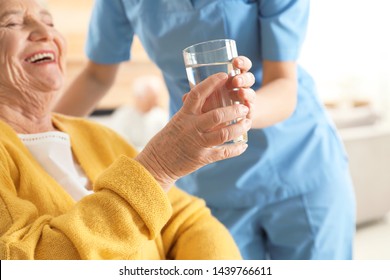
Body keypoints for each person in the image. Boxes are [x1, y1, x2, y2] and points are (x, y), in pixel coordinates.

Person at [54, 0, 356, 259]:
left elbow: (284, 84)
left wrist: (241, 111)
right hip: (210, 184)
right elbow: (96, 76)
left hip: (297, 165)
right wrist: (27, 134)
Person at [0, 0, 255, 260]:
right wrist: (158, 168)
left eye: (50, 22)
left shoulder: (96, 135)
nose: (46, 32)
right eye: (12, 22)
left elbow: (189, 220)